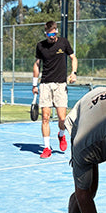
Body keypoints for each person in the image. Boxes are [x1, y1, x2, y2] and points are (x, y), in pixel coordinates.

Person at [32, 20, 77, 158]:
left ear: (56, 31)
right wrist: (34, 84)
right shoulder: (40, 46)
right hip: (45, 84)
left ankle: (61, 135)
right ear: (45, 33)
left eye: (54, 33)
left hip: (60, 85)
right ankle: (47, 148)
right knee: (45, 118)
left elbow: (73, 58)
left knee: (62, 119)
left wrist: (73, 73)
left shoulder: (63, 42)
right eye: (49, 34)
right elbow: (37, 65)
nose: (52, 36)